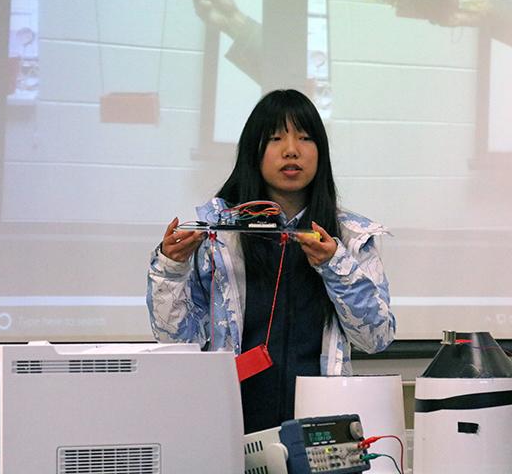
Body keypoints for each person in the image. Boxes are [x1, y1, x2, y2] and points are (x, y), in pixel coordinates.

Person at [146, 89, 395, 433]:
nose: (291, 150)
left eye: (305, 138)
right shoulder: (219, 237)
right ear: (254, 151)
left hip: (320, 428)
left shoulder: (350, 238)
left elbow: (377, 338)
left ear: (320, 153)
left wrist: (336, 264)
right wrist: (171, 269)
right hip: (233, 421)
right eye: (275, 138)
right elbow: (176, 342)